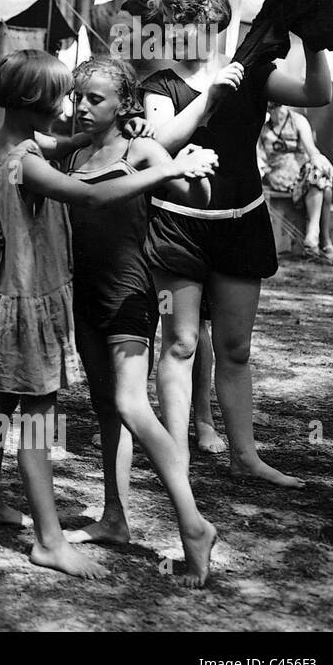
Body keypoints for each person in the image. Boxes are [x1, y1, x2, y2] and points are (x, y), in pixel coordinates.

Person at [0, 50, 217, 580]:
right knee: (33, 415)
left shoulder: (28, 144)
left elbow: (72, 149)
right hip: (32, 295)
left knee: (4, 398)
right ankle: (48, 540)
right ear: (35, 104)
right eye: (66, 97)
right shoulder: (30, 158)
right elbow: (86, 198)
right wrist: (168, 165)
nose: (73, 107)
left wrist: (165, 159)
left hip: (57, 291)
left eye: (89, 98)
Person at [138, 0, 333, 488]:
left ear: (219, 24)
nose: (188, 35)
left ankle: (244, 455)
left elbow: (318, 93)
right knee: (179, 343)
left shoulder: (254, 72)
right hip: (176, 226)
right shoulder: (160, 84)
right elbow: (160, 143)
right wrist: (209, 98)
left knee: (236, 349)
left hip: (242, 222)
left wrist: (314, 38)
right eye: (178, 27)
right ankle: (175, 451)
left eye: (199, 26)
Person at [62, 59, 218, 586]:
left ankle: (193, 525)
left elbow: (196, 198)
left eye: (95, 100)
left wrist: (193, 170)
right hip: (84, 294)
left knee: (131, 402)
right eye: (78, 96)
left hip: (131, 293)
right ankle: (114, 517)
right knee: (106, 407)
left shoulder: (141, 150)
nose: (82, 106)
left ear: (123, 105)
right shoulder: (78, 151)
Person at [258, 102, 333, 264]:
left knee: (320, 175)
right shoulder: (262, 127)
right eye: (270, 107)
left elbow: (311, 150)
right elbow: (259, 157)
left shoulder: (297, 121)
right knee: (324, 187)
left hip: (301, 175)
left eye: (277, 107)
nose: (276, 112)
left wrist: (320, 160)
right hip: (277, 178)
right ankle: (324, 242)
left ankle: (314, 235)